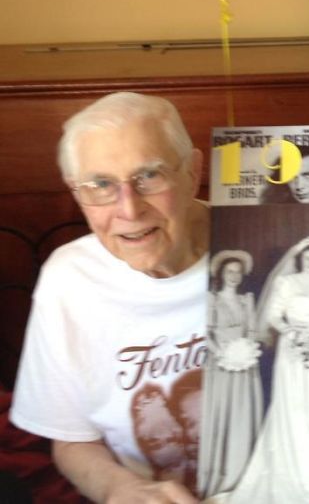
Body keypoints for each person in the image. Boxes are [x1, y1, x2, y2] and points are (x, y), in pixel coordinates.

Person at [10, 91, 209, 504]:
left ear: (193, 171)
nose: (129, 210)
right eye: (100, 185)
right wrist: (119, 488)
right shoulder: (69, 279)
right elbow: (72, 439)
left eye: (149, 175)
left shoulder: (264, 245)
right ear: (76, 193)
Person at [221, 236, 309, 504]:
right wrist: (294, 332)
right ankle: (295, 475)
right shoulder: (286, 282)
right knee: (295, 407)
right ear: (299, 259)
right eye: (308, 258)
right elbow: (273, 316)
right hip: (293, 349)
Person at [198, 250, 263, 498]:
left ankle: (241, 471)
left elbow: (252, 332)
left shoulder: (247, 300)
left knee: (241, 415)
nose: (234, 276)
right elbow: (205, 334)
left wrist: (246, 351)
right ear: (221, 274)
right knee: (222, 413)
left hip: (245, 366)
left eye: (238, 272)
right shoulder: (211, 300)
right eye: (229, 271)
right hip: (220, 365)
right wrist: (222, 354)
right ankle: (219, 473)